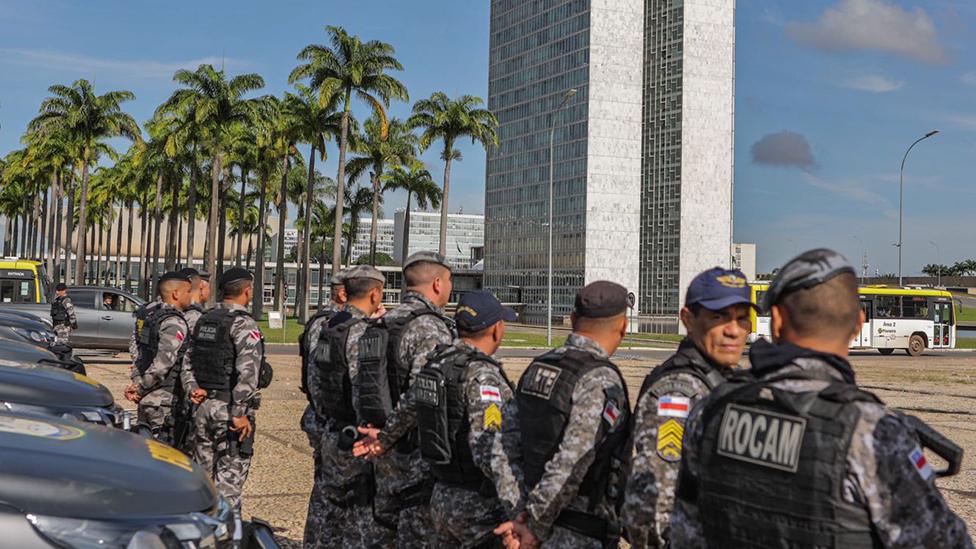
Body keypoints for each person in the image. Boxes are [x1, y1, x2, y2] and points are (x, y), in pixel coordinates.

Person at [670, 249, 972, 548]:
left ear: (775, 320)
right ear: (858, 323)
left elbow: (682, 532)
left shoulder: (712, 408)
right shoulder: (873, 432)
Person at [356, 290, 525, 547]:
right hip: (477, 504)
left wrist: (383, 440)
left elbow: (406, 409)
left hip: (439, 495)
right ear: (496, 329)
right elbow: (492, 450)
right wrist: (518, 512)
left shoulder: (436, 365)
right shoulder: (483, 377)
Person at [621, 268, 753, 548]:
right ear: (688, 320)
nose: (733, 330)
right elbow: (651, 506)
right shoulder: (678, 391)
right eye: (718, 317)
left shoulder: (722, 380)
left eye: (742, 318)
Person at [496, 281, 633, 549]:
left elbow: (503, 449)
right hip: (578, 532)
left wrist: (519, 514)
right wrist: (534, 525)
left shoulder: (538, 367)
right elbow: (571, 462)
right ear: (623, 327)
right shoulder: (600, 379)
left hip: (527, 524)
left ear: (572, 319)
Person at [358, 251, 456, 548]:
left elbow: (361, 383)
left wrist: (377, 433)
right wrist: (388, 437)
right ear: (438, 283)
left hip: (377, 445)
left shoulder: (380, 323)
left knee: (383, 532)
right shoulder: (430, 328)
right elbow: (422, 396)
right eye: (450, 281)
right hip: (412, 454)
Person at [304, 265, 389, 547]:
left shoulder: (329, 327)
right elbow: (366, 390)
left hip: (329, 427)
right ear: (375, 294)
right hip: (354, 437)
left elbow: (314, 380)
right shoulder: (364, 333)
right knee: (358, 516)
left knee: (326, 506)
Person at [181, 267, 265, 510]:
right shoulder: (243, 324)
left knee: (203, 483)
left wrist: (192, 388)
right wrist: (239, 413)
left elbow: (188, 360)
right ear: (247, 291)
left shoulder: (204, 319)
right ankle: (224, 536)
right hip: (228, 412)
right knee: (228, 486)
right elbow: (248, 372)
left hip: (202, 407)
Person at [299, 269, 351, 548]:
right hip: (326, 418)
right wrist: (328, 415)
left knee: (326, 487)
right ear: (342, 293)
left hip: (324, 417)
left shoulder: (327, 321)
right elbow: (317, 377)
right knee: (328, 490)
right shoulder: (328, 324)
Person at [124, 271, 192, 445]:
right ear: (176, 294)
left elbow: (139, 355)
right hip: (163, 400)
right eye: (188, 291)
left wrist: (137, 384)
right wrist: (140, 389)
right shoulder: (173, 321)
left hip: (147, 399)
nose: (191, 296)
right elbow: (163, 363)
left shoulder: (151, 317)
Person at [180, 267, 211, 334]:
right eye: (209, 287)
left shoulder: (177, 308)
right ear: (201, 286)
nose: (209, 291)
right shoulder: (196, 315)